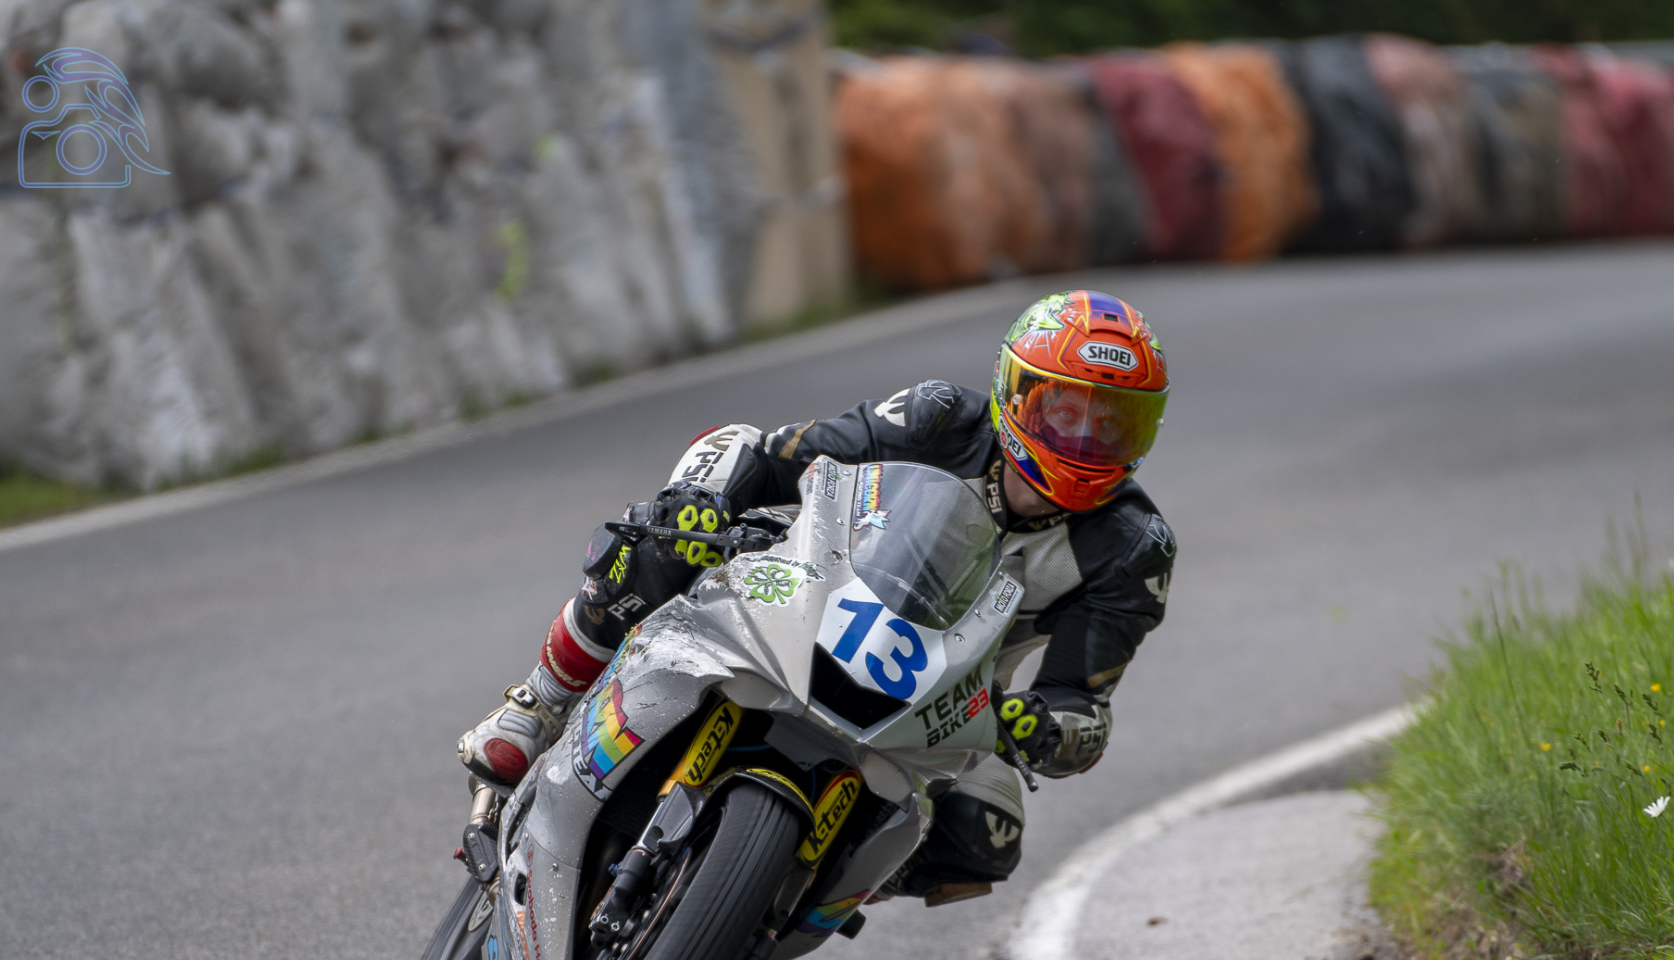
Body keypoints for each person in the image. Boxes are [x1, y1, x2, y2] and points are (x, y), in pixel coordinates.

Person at [457, 289, 1176, 905]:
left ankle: (791, 892)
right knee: (661, 542)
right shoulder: (937, 418)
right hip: (809, 591)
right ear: (1014, 394)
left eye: (1115, 423)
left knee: (987, 834)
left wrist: (1045, 727)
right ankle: (538, 703)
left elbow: (1082, 704)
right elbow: (774, 453)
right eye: (1065, 413)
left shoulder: (1133, 548)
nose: (1087, 440)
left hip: (948, 702)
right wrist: (704, 499)